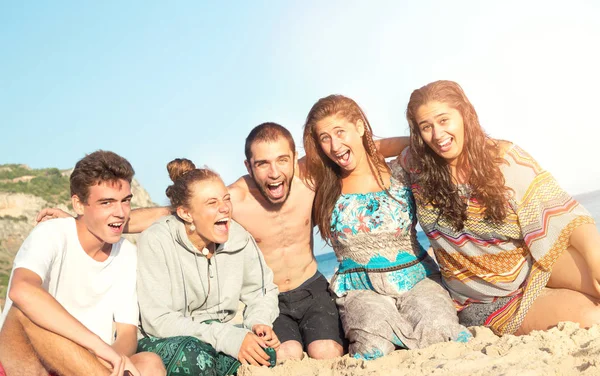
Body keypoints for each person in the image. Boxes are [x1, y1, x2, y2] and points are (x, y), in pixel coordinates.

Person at [36, 123, 405, 361]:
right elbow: (171, 212)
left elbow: (362, 150)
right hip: (274, 299)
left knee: (326, 352)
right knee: (289, 355)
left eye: (281, 160)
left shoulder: (308, 178)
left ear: (296, 159)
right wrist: (86, 220)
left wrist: (415, 141)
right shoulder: (234, 200)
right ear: (248, 166)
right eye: (262, 163)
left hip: (311, 286)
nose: (274, 171)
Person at [402, 80, 600, 336]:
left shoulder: (504, 159)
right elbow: (371, 150)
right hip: (487, 300)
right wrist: (414, 141)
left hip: (531, 265)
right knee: (592, 318)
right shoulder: (418, 167)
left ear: (465, 114)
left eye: (444, 120)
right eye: (426, 127)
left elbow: (564, 213)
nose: (438, 135)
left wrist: (595, 261)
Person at [302, 95, 471, 360]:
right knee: (373, 347)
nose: (335, 146)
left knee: (441, 332)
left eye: (340, 132)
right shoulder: (321, 185)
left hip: (418, 279)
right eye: (325, 138)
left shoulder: (401, 170)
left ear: (359, 126)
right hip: (359, 288)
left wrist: (372, 148)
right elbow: (285, 168)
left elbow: (425, 143)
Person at [0, 150, 165, 376]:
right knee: (27, 308)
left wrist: (110, 359)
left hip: (81, 374)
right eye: (106, 202)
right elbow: (21, 291)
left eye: (126, 200)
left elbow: (128, 334)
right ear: (78, 204)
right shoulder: (52, 234)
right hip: (26, 372)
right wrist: (96, 347)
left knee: (150, 364)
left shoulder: (127, 254)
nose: (120, 213)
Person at [136, 158, 280, 376]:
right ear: (185, 213)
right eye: (212, 203)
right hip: (165, 337)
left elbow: (262, 291)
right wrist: (226, 337)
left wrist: (258, 322)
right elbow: (158, 321)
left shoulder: (239, 237)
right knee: (197, 361)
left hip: (217, 330)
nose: (225, 208)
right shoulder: (156, 241)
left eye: (226, 199)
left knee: (264, 356)